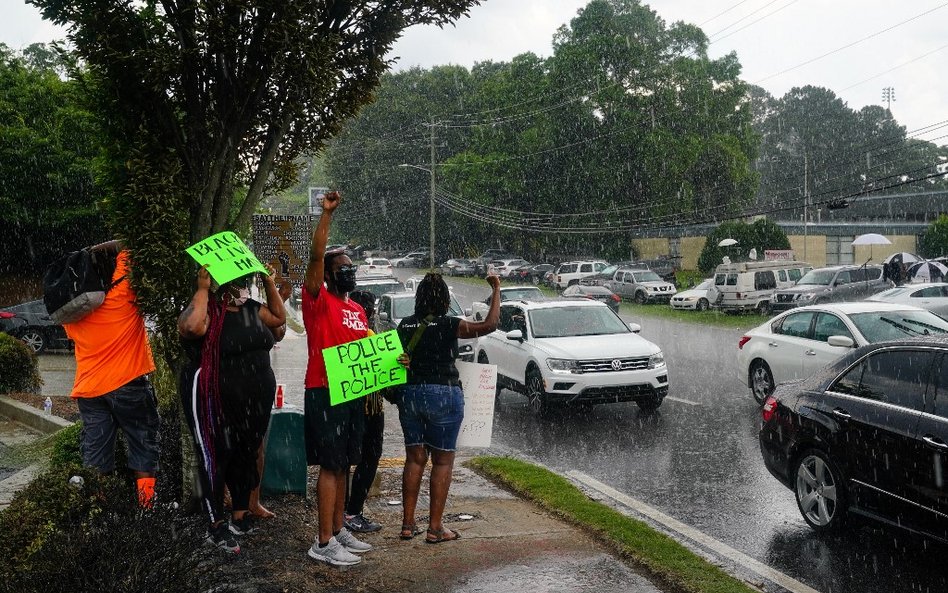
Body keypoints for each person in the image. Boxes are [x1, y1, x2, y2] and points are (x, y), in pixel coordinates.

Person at [177, 264, 287, 554]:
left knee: (245, 452)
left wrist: (269, 282)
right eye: (238, 282)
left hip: (253, 400)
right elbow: (190, 327)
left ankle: (240, 513)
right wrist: (202, 289)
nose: (242, 287)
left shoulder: (252, 307)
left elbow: (278, 319)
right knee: (216, 456)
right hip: (215, 399)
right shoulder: (209, 309)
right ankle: (215, 525)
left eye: (246, 281)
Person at [396, 272, 500, 544]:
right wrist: (496, 289)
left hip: (411, 394)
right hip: (444, 393)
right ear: (444, 299)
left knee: (414, 459)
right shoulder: (450, 325)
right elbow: (490, 325)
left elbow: (396, 361)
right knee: (442, 461)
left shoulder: (405, 326)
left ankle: (408, 524)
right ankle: (435, 528)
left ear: (419, 298)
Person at [302, 191, 373, 566]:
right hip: (324, 390)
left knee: (344, 463)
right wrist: (326, 216)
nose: (350, 271)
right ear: (329, 274)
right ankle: (323, 542)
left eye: (351, 267)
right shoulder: (317, 299)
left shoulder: (357, 309)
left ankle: (339, 526)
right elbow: (315, 257)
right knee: (330, 465)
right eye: (342, 267)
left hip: (353, 394)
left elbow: (370, 351)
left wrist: (398, 361)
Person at [62, 240, 160, 508]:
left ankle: (101, 513)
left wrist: (87, 256)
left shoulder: (72, 311)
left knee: (95, 457)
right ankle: (147, 508)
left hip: (90, 390)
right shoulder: (122, 291)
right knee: (143, 447)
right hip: (128, 384)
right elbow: (131, 241)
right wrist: (99, 250)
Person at [343, 289, 384, 533]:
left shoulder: (351, 332)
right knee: (368, 457)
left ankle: (345, 512)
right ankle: (352, 512)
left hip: (356, 404)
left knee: (349, 460)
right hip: (367, 407)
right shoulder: (365, 335)